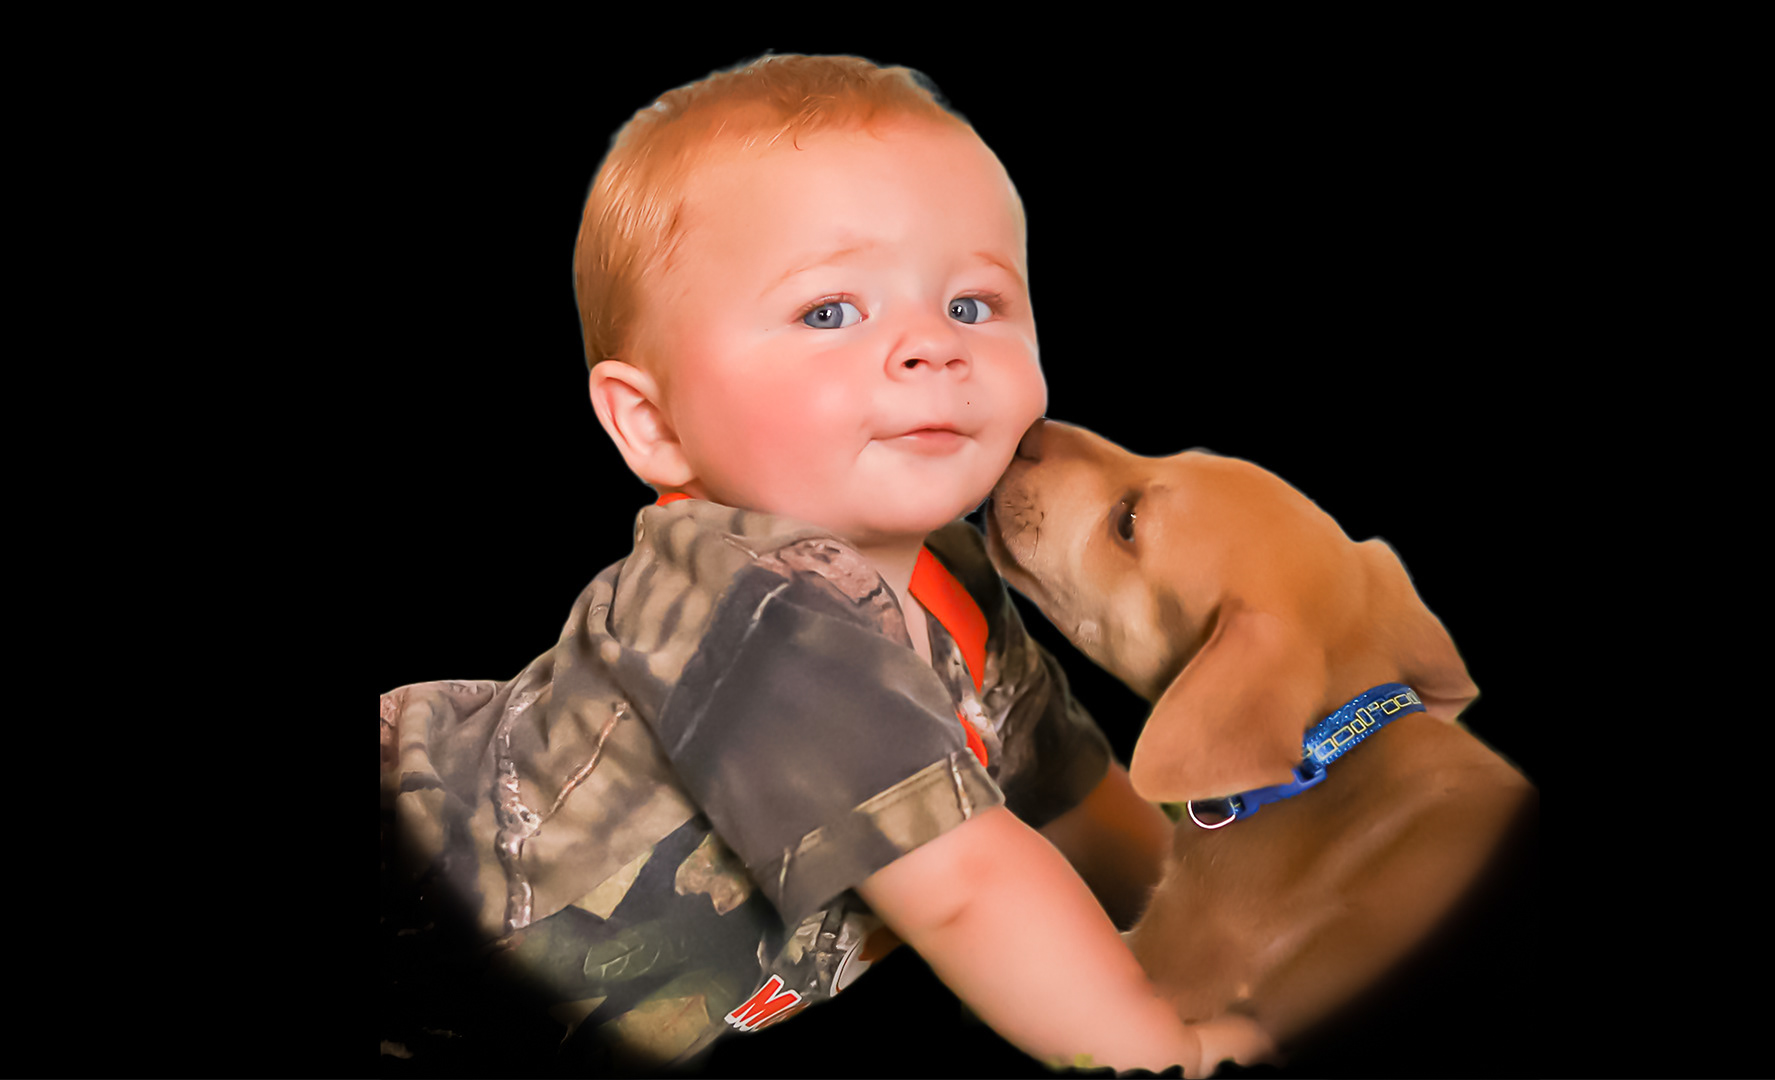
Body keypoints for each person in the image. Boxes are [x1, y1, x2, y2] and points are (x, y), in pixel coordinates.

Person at [379, 52, 1273, 1075]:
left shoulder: (956, 580)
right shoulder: (752, 610)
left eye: (973, 305)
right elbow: (970, 887)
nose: (931, 347)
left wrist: (1219, 946)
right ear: (653, 423)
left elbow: (1067, 801)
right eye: (830, 312)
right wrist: (1164, 1046)